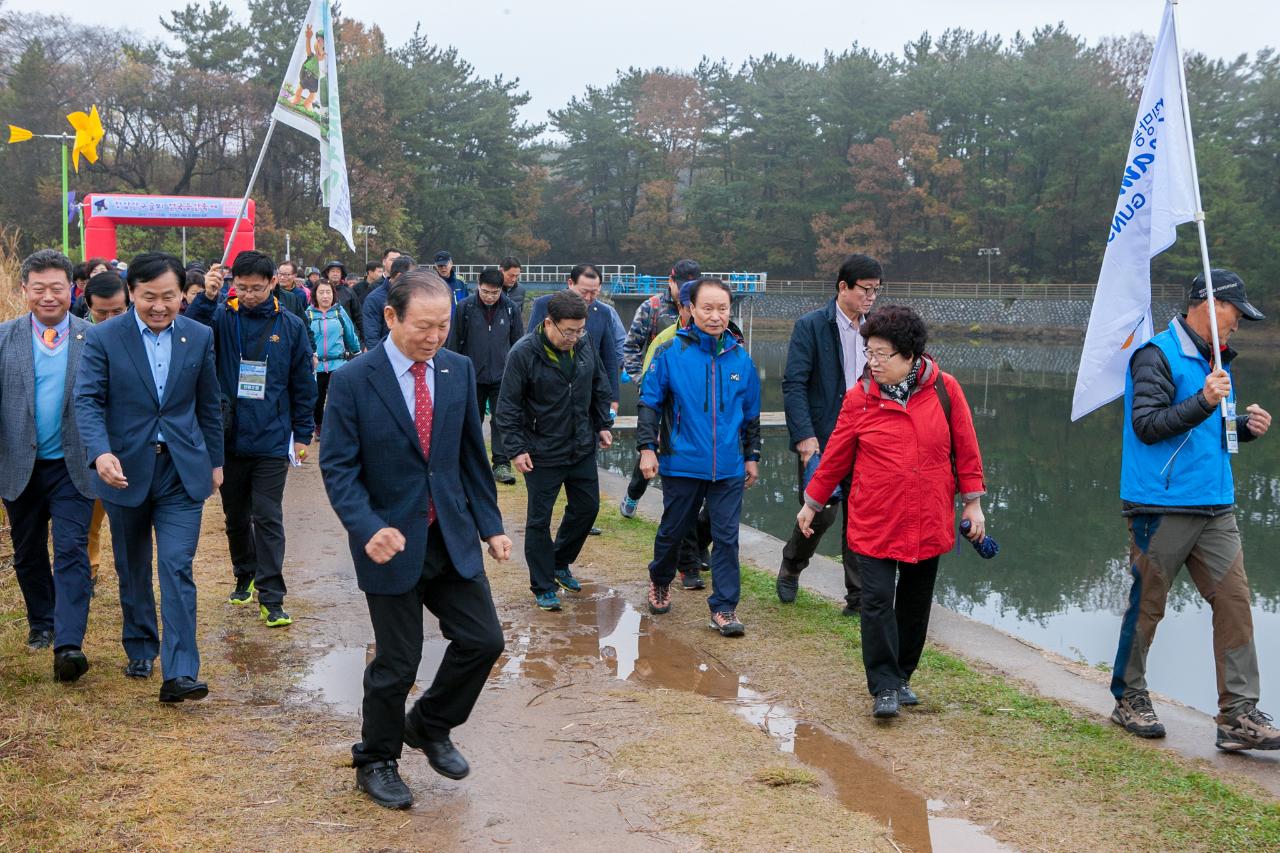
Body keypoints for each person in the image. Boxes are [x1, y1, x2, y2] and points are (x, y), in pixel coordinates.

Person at [320, 269, 512, 810]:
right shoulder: (355, 379)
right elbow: (337, 468)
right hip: (389, 539)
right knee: (398, 663)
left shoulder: (457, 370)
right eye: (423, 326)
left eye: (443, 326)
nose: (434, 337)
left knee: (483, 640)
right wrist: (367, 527)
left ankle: (429, 724)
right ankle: (375, 759)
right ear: (390, 317)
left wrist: (491, 526)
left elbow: (470, 457)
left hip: (448, 534)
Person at [1109, 270, 1279, 751]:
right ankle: (1129, 698)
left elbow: (1210, 431)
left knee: (1235, 602)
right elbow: (1147, 425)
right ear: (1208, 303)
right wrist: (1204, 399)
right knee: (1147, 605)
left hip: (1216, 507)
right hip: (1160, 505)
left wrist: (1244, 427)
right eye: (1236, 312)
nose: (1240, 324)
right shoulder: (1155, 354)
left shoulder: (1217, 361)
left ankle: (1238, 716)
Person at [798, 305, 985, 718]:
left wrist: (972, 503)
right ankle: (883, 685)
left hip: (929, 515)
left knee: (916, 602)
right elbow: (835, 459)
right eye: (869, 352)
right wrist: (813, 503)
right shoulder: (859, 399)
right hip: (876, 518)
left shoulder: (944, 390)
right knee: (877, 600)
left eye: (883, 354)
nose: (873, 362)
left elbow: (966, 449)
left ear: (910, 355)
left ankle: (902, 677)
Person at [74, 252, 224, 702]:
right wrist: (100, 453)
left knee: (176, 565)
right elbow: (87, 400)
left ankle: (180, 672)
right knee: (133, 563)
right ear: (131, 294)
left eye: (169, 297)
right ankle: (140, 644)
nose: (159, 306)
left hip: (181, 470)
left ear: (183, 294)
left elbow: (209, 404)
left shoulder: (199, 336)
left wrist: (215, 462)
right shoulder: (104, 337)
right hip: (124, 469)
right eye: (148, 297)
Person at [186, 250, 316, 627]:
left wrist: (302, 432)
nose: (249, 295)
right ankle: (245, 574)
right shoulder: (222, 317)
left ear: (273, 283)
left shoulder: (290, 326)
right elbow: (186, 338)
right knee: (236, 516)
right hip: (227, 437)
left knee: (268, 516)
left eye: (256, 288)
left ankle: (272, 596)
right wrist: (206, 298)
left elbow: (303, 385)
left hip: (272, 437)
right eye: (241, 288)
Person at [637, 277, 761, 637]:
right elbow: (648, 403)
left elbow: (751, 413)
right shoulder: (670, 354)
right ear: (690, 308)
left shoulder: (740, 357)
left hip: (728, 468)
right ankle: (660, 578)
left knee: (726, 537)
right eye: (707, 307)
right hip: (682, 462)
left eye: (722, 308)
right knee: (674, 530)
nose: (716, 315)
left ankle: (724, 607)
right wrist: (648, 447)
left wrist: (751, 456)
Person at [0, 250, 96, 680]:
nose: (48, 296)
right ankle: (42, 622)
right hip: (19, 462)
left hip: (73, 463)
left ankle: (69, 642)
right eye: (38, 288)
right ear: (25, 291)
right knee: (27, 551)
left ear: (71, 289)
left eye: (57, 287)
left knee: (72, 548)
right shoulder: (5, 337)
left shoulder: (92, 338)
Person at [778, 253, 882, 615]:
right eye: (865, 289)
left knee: (861, 515)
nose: (871, 297)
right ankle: (792, 564)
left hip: (868, 439)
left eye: (876, 291)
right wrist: (805, 437)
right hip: (824, 437)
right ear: (843, 287)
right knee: (820, 512)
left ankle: (857, 598)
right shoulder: (811, 326)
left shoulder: (877, 329)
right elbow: (794, 384)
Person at [496, 290, 613, 611]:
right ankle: (542, 584)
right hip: (541, 450)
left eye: (580, 330)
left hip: (580, 445)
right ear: (549, 323)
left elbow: (599, 384)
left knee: (587, 509)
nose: (575, 337)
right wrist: (515, 449)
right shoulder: (524, 353)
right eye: (568, 331)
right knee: (539, 520)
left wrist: (602, 423)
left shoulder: (584, 344)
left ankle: (560, 561)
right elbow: (507, 407)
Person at [620, 258, 700, 519]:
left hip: (689, 397)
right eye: (682, 287)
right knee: (650, 446)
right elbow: (631, 348)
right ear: (671, 282)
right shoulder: (652, 308)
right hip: (657, 391)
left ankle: (680, 511)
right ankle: (634, 493)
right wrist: (642, 381)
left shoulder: (703, 307)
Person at [448, 268, 523, 485]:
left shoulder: (510, 309)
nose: (490, 296)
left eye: (495, 292)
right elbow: (455, 342)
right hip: (472, 374)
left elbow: (519, 343)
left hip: (503, 376)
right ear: (478, 286)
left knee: (502, 420)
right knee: (472, 420)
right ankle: (470, 463)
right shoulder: (465, 308)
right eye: (485, 291)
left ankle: (501, 463)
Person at [81, 271, 131, 588]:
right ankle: (89, 573)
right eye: (103, 313)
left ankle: (131, 576)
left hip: (129, 445)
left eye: (118, 312)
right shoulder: (79, 338)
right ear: (88, 307)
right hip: (90, 445)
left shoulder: (142, 339)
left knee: (127, 522)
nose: (111, 319)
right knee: (87, 517)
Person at [526, 264, 621, 418]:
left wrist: (613, 397)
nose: (589, 298)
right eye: (584, 292)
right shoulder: (545, 305)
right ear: (570, 283)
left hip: (587, 391)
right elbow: (530, 347)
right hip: (549, 390)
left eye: (594, 292)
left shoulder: (604, 312)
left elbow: (609, 358)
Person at [307, 279, 359, 436]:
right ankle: (319, 426)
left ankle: (337, 427)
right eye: (321, 292)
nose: (325, 296)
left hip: (338, 364)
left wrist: (357, 353)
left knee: (338, 400)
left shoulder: (339, 312)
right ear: (315, 295)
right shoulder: (308, 314)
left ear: (333, 294)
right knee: (317, 400)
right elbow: (303, 338)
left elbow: (350, 334)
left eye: (328, 292)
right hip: (317, 366)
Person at [361, 254, 414, 351]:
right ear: (399, 276)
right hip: (385, 356)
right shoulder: (374, 299)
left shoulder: (414, 295)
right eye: (411, 277)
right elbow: (372, 337)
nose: (414, 281)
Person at [322, 260, 362, 340]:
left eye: (338, 271)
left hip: (346, 336)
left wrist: (363, 339)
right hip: (324, 336)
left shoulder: (349, 292)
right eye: (332, 271)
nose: (335, 274)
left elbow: (358, 316)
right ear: (328, 273)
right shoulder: (320, 290)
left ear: (341, 274)